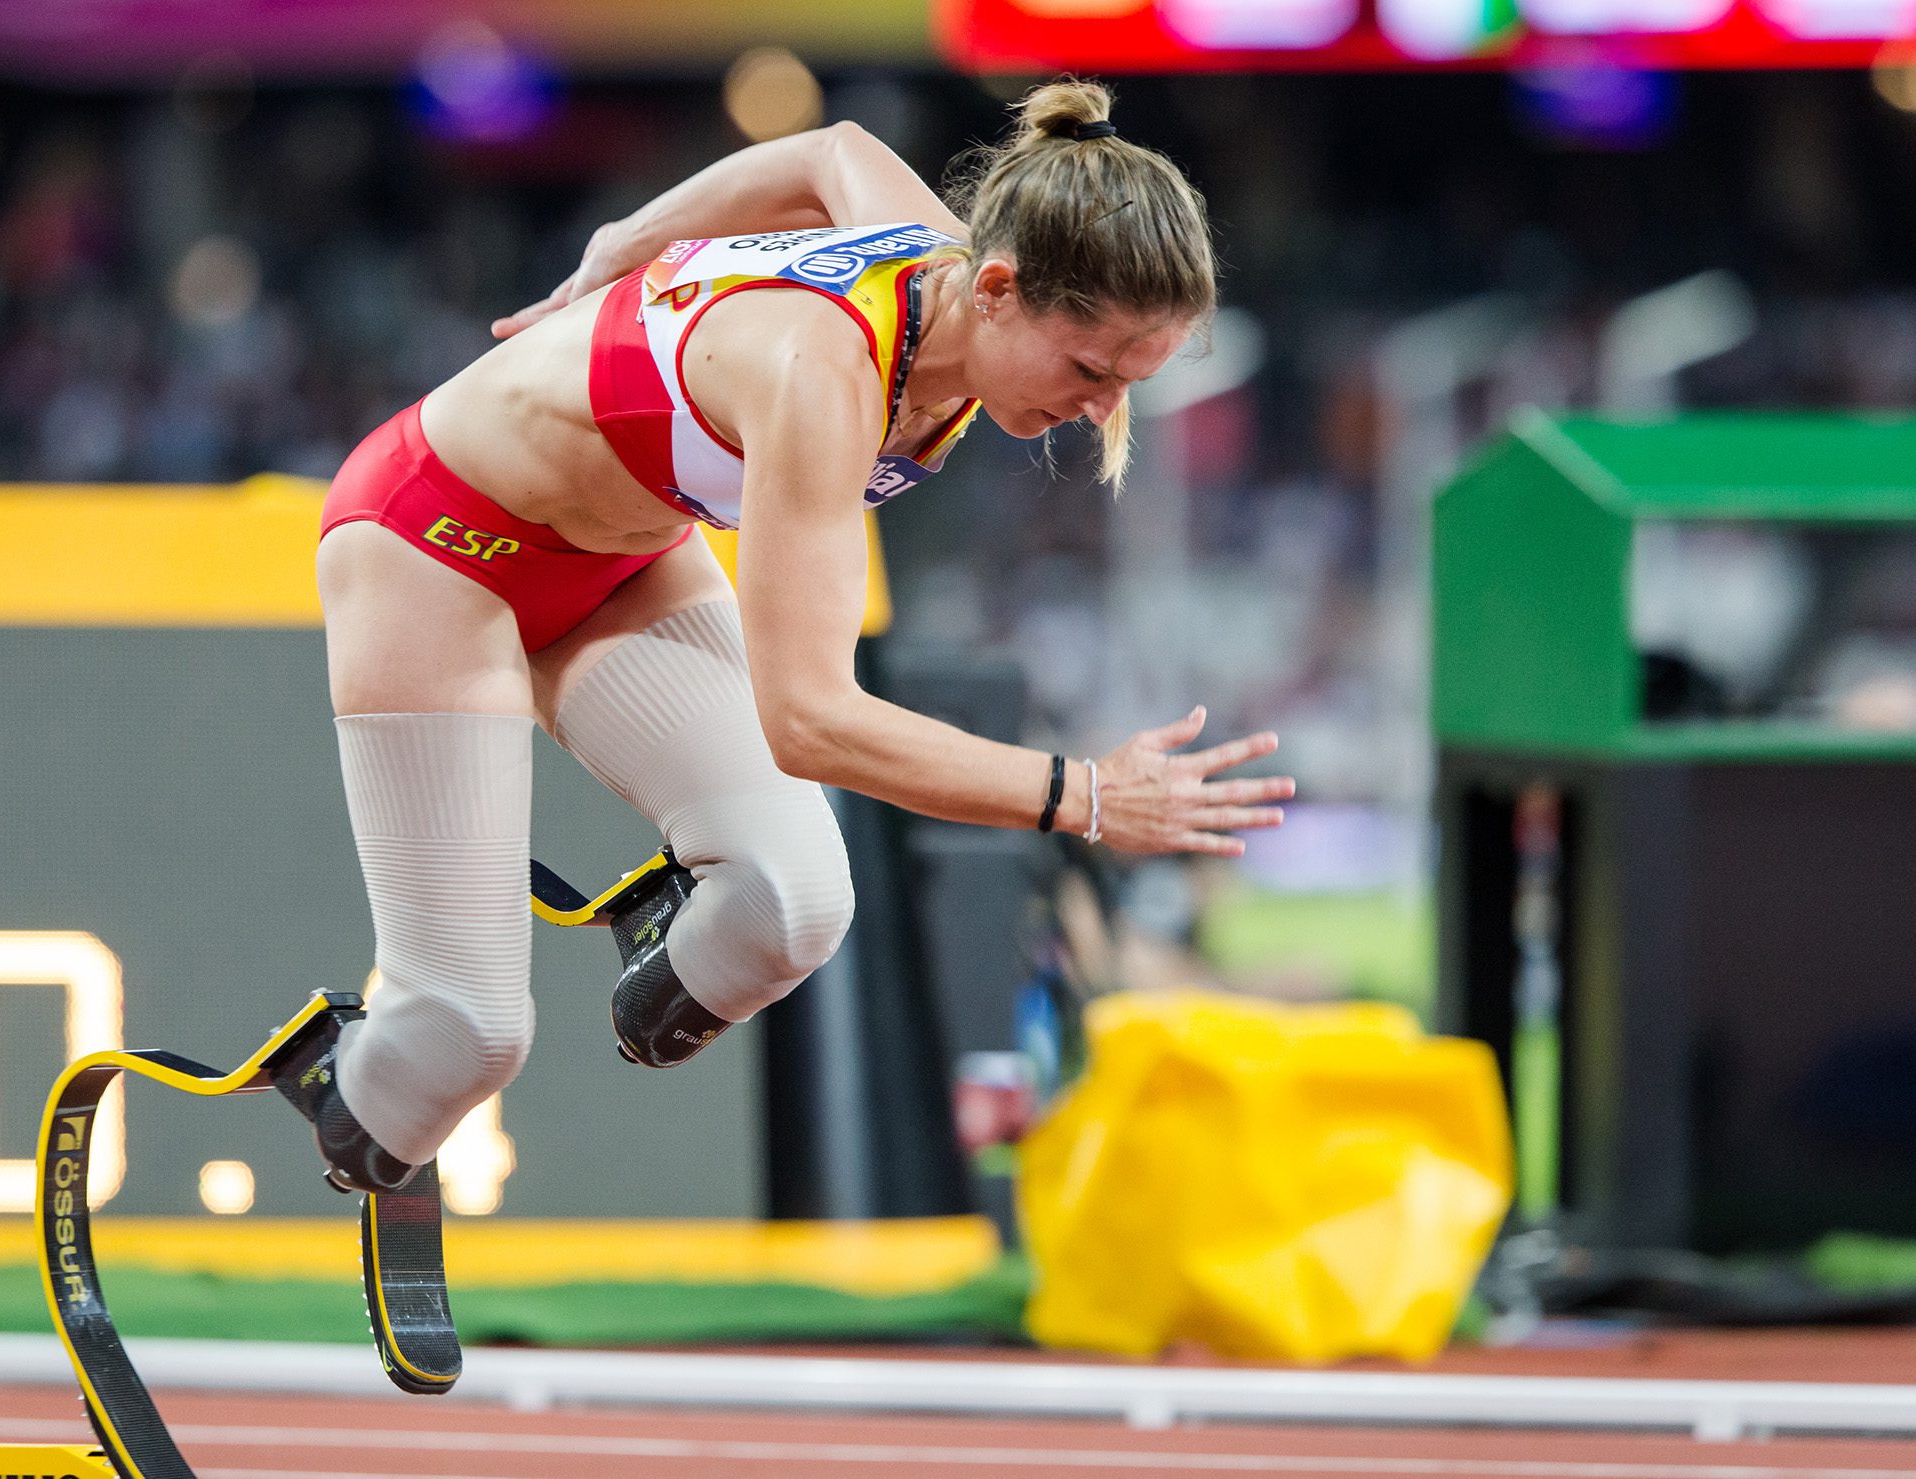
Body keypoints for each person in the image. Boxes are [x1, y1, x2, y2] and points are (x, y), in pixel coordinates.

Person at [283, 80, 1295, 1197]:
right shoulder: (822, 372)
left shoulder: (947, 260)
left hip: (618, 560)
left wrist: (627, 240)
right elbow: (808, 718)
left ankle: (610, 944)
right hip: (434, 542)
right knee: (469, 1040)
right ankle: (345, 1076)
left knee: (792, 905)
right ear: (997, 290)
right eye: (1087, 370)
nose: (1098, 409)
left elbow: (832, 151)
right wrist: (1086, 797)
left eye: (1127, 385)